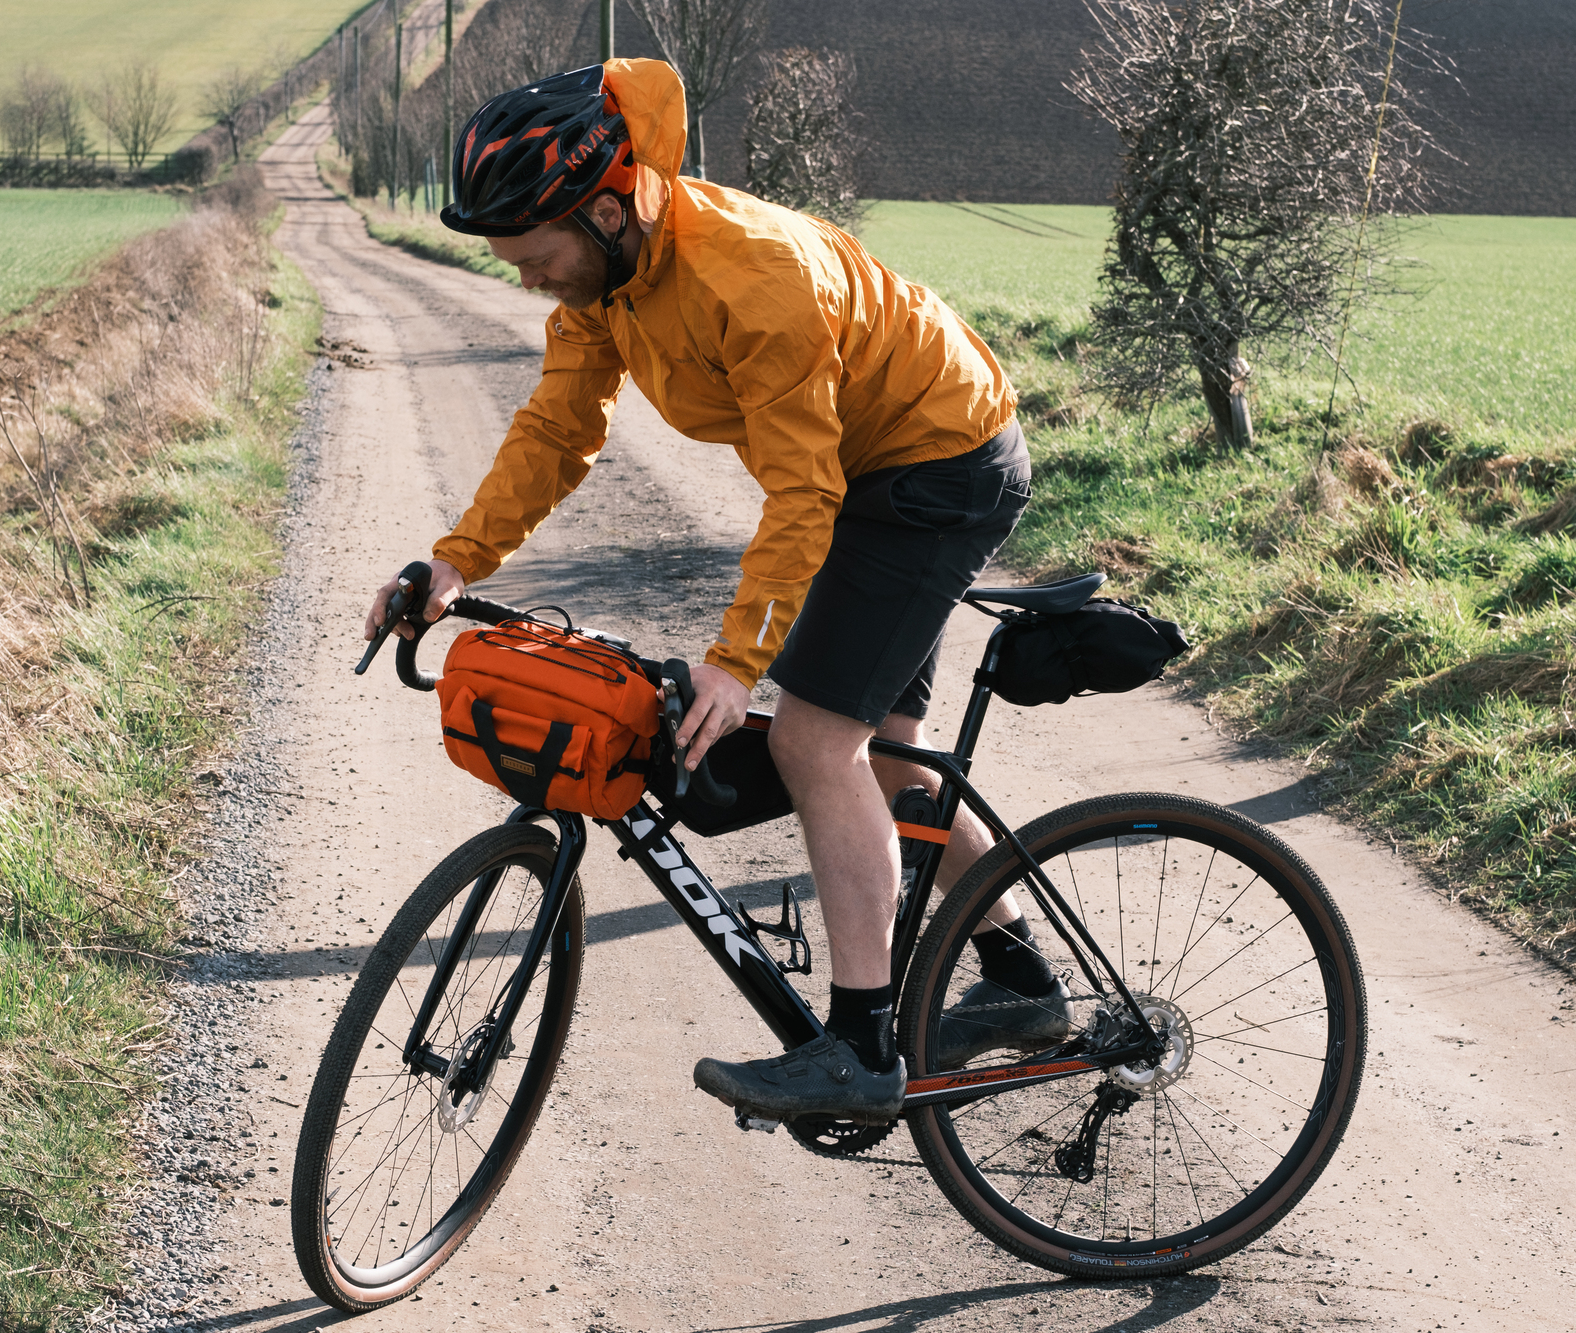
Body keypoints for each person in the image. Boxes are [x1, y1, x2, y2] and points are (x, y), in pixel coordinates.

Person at [363, 59, 1067, 1124]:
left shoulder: (752, 276)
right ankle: (1023, 981)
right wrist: (457, 560)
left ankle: (860, 1048)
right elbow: (558, 427)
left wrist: (736, 664)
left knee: (814, 742)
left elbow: (803, 494)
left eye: (536, 259)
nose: (529, 282)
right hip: (866, 468)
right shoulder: (610, 281)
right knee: (881, 750)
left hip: (936, 462)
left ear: (606, 212)